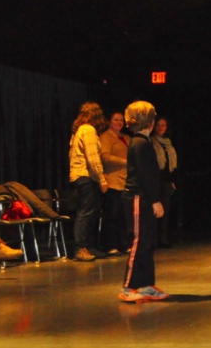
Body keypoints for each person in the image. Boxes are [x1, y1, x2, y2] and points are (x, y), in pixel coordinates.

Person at [119, 101, 169, 302]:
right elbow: (145, 175)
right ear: (150, 121)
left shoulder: (144, 142)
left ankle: (146, 285)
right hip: (137, 197)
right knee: (139, 241)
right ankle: (128, 287)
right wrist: (156, 200)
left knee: (147, 242)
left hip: (144, 198)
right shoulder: (139, 143)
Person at [68, 101, 108, 262]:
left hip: (83, 176)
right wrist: (102, 179)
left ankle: (89, 246)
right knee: (86, 212)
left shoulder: (79, 130)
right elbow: (92, 158)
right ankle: (80, 248)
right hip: (85, 176)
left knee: (92, 211)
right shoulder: (88, 129)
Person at [99, 111, 131, 256]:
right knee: (113, 215)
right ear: (109, 121)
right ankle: (110, 245)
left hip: (126, 181)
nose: (119, 122)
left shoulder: (127, 137)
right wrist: (125, 162)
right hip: (112, 181)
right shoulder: (105, 137)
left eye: (121, 120)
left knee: (124, 216)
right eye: (116, 120)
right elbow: (105, 157)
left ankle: (124, 244)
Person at [151, 117, 178, 248]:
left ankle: (163, 238)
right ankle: (154, 239)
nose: (160, 128)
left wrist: (172, 180)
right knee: (154, 212)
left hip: (166, 181)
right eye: (158, 125)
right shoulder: (151, 141)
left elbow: (171, 165)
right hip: (155, 180)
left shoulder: (168, 143)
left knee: (165, 211)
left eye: (163, 125)